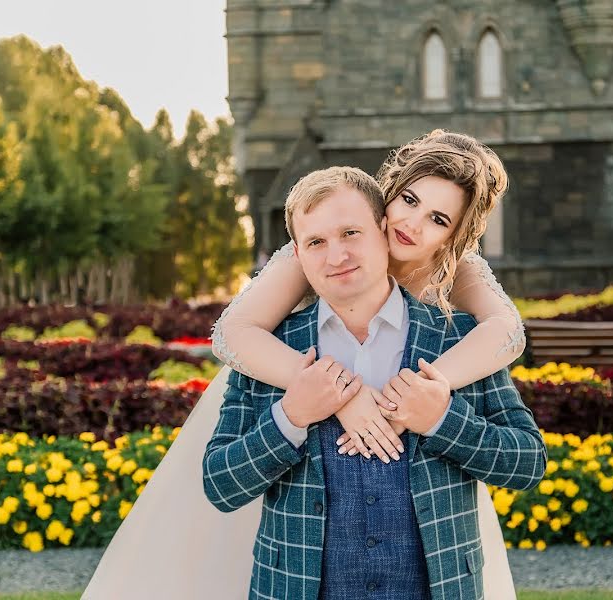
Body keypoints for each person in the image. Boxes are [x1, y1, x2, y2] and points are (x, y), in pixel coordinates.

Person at [82, 131, 529, 599]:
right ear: (387, 195)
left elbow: (505, 331)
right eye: (409, 200)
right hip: (283, 397)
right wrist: (335, 395)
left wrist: (431, 394)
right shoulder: (320, 249)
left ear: (455, 235)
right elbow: (234, 333)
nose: (413, 225)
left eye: (437, 218)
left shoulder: (456, 283)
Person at [204, 166, 545, 599]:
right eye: (316, 243)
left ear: (383, 231)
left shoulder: (459, 339)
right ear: (298, 252)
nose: (336, 256)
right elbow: (220, 485)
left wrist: (443, 418)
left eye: (351, 233)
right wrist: (292, 416)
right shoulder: (269, 346)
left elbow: (527, 464)